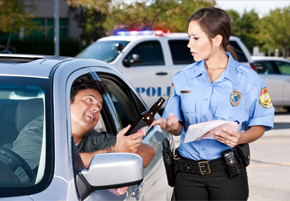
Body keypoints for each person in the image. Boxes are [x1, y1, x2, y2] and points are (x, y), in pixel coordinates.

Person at [151, 7, 274, 201]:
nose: (189, 44)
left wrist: (241, 138)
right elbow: (176, 127)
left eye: (196, 38)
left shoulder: (247, 80)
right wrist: (171, 126)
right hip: (187, 173)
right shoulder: (183, 78)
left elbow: (260, 122)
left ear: (216, 40)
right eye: (189, 37)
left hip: (228, 173)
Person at [12, 75, 156, 196]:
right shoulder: (37, 133)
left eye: (99, 107)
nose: (96, 108)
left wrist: (119, 158)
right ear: (67, 102)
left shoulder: (95, 139)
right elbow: (55, 166)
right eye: (89, 100)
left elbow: (149, 151)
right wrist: (112, 152)